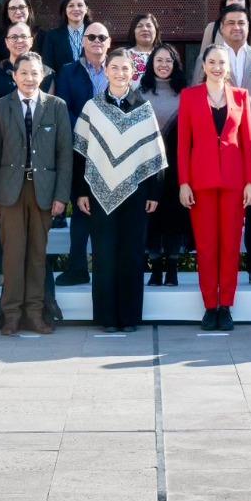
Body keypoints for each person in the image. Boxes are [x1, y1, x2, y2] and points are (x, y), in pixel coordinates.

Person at [76, 48, 167, 333]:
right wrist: (80, 192)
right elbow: (80, 151)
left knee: (131, 254)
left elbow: (155, 153)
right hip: (99, 190)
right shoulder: (92, 107)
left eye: (124, 69)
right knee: (103, 254)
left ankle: (129, 317)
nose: (119, 73)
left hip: (137, 191)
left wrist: (154, 193)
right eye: (114, 68)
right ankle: (106, 317)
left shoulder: (144, 107)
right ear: (107, 71)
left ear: (133, 72)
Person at [194, 5, 251, 286]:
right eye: (230, 23)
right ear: (221, 27)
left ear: (250, 27)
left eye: (241, 23)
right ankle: (223, 269)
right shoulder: (210, 57)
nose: (236, 27)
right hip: (215, 150)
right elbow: (197, 97)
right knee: (219, 213)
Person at [0, 52, 72, 336]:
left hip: (43, 191)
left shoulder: (57, 106)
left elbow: (65, 155)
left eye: (34, 73)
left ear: (42, 75)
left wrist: (61, 196)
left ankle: (34, 313)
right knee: (12, 254)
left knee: (36, 254)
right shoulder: (1, 106)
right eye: (24, 73)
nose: (29, 78)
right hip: (10, 190)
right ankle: (11, 314)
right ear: (14, 75)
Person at [178, 43, 251, 330]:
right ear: (204, 65)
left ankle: (226, 306)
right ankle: (210, 305)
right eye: (212, 62)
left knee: (230, 245)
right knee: (207, 245)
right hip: (201, 182)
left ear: (228, 67)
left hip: (235, 182)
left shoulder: (241, 96)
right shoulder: (189, 97)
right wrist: (183, 182)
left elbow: (248, 142)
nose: (217, 67)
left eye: (222, 62)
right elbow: (183, 144)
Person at [50, 22, 113, 286]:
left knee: (108, 212)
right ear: (83, 42)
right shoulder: (67, 72)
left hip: (113, 151)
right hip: (81, 148)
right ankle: (77, 268)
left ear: (109, 43)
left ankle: (104, 269)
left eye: (102, 37)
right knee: (82, 206)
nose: (97, 41)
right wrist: (87, 131)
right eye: (91, 37)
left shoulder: (117, 69)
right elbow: (63, 106)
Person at [139, 44, 187, 286]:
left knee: (175, 215)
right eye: (159, 60)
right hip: (148, 164)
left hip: (178, 164)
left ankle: (172, 268)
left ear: (175, 64)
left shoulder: (186, 93)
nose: (163, 64)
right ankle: (155, 267)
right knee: (152, 216)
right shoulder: (139, 92)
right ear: (151, 63)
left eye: (169, 60)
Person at [194, 0, 251, 70]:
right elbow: (202, 60)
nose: (235, 1)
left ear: (246, 3)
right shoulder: (212, 28)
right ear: (224, 3)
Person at [38, 0, 89, 74]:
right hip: (62, 85)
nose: (76, 9)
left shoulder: (94, 34)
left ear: (86, 8)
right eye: (71, 6)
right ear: (65, 10)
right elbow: (48, 68)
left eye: (80, 5)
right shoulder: (52, 36)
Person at [0, 0, 35, 64]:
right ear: (7, 13)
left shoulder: (42, 36)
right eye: (13, 8)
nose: (18, 12)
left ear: (29, 10)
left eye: (22, 7)